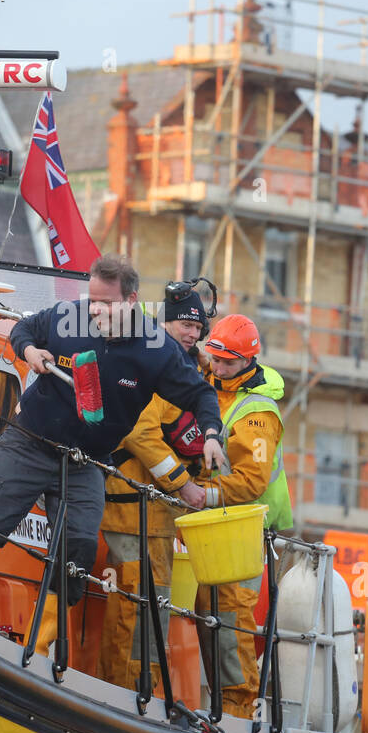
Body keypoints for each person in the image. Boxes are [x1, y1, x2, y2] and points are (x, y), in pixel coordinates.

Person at [0, 255, 227, 652]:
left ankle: (40, 649)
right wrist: (30, 351)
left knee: (76, 557)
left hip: (86, 463)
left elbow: (202, 393)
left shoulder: (156, 350)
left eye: (106, 302)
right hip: (30, 441)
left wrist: (210, 434)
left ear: (132, 300)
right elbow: (25, 329)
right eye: (93, 300)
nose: (96, 309)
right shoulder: (68, 316)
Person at [96, 288, 211, 690]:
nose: (193, 333)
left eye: (198, 326)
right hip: (131, 514)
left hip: (157, 517)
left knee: (155, 611)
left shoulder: (182, 371)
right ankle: (120, 693)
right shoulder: (152, 364)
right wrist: (184, 485)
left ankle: (147, 693)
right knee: (131, 608)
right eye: (185, 324)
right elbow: (140, 432)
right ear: (165, 323)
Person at [192, 313, 293, 718]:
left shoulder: (259, 413)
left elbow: (252, 481)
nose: (218, 368)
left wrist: (203, 494)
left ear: (248, 361)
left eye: (227, 363)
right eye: (214, 359)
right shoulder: (215, 385)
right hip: (219, 523)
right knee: (208, 610)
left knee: (230, 618)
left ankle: (239, 710)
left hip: (248, 528)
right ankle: (223, 704)